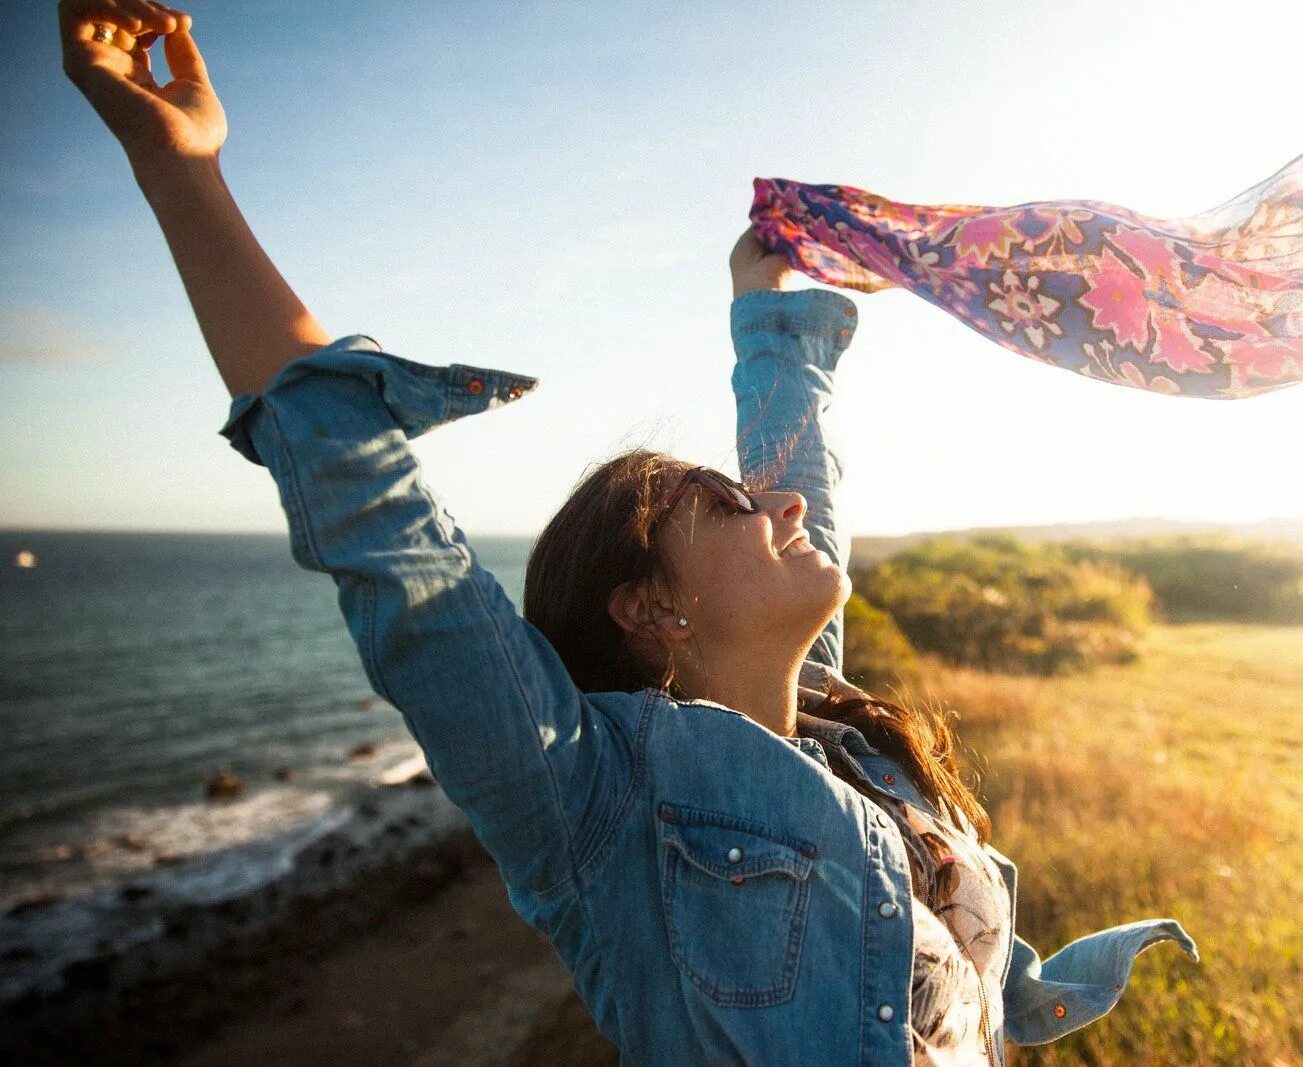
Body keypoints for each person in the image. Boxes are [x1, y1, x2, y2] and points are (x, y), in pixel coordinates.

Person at [57, 2, 1197, 1062]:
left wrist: (769, 314)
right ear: (650, 606)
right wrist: (180, 166)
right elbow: (384, 531)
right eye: (735, 510)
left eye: (748, 498)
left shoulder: (845, 732)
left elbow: (801, 470)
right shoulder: (594, 808)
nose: (786, 505)